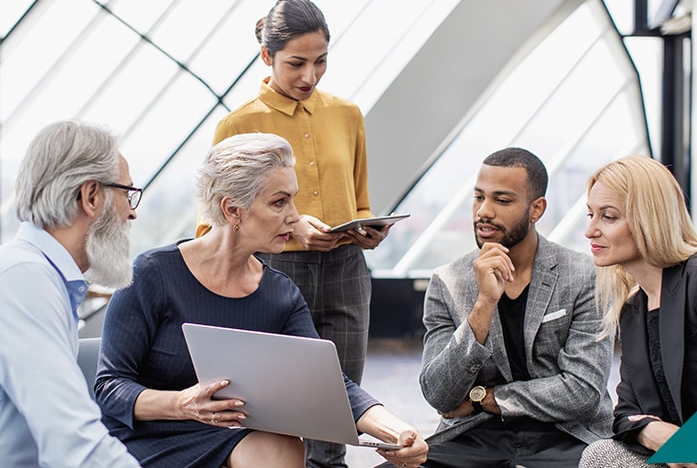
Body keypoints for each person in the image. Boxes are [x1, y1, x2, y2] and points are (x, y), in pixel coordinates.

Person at [96, 133, 427, 468]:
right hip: (148, 436)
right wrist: (183, 404)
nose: (295, 217)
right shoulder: (152, 274)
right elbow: (110, 387)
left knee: (281, 447)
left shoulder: (280, 294)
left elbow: (327, 384)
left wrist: (396, 430)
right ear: (232, 210)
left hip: (229, 433)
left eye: (292, 201)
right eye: (279, 202)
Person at [195, 0, 390, 467]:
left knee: (337, 416)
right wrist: (292, 224)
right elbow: (217, 219)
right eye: (296, 63)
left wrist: (366, 229)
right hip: (272, 272)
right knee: (275, 413)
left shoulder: (348, 114)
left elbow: (359, 200)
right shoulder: (239, 124)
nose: (309, 75)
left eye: (321, 61)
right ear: (267, 57)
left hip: (346, 270)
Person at [417, 147, 614, 467]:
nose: (484, 211)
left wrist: (484, 398)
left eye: (502, 200)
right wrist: (483, 305)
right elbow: (440, 395)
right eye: (479, 197)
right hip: (475, 437)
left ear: (536, 209)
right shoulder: (447, 282)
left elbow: (582, 392)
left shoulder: (584, 277)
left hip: (566, 437)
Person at [579, 155, 697, 468]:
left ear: (649, 218)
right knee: (601, 454)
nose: (590, 230)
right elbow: (626, 412)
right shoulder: (633, 308)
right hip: (681, 457)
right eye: (590, 214)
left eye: (609, 217)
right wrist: (651, 431)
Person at [0, 121, 142, 467]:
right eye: (127, 193)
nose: (132, 212)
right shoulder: (24, 279)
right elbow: (73, 441)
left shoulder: (39, 275)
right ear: (90, 196)